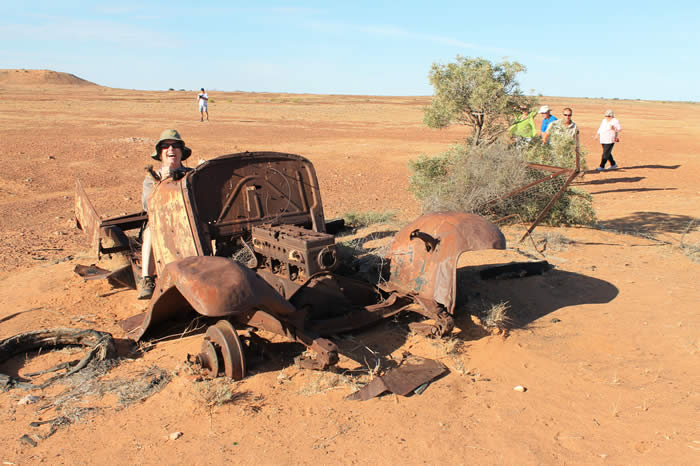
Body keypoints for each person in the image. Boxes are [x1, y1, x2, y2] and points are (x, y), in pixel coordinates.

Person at [138, 129, 193, 299]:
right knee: (150, 233)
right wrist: (163, 181)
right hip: (162, 222)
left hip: (189, 220)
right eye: (165, 146)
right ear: (160, 153)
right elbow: (148, 205)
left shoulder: (192, 174)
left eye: (176, 145)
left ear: (181, 152)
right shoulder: (152, 178)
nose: (171, 149)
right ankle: (147, 279)